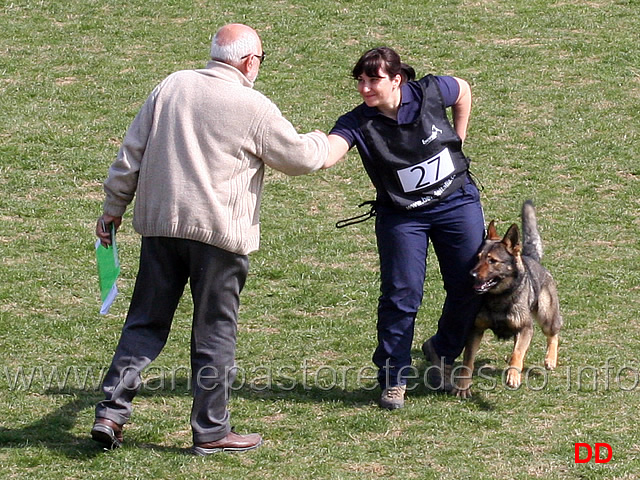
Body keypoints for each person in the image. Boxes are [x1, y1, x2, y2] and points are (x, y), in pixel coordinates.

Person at [90, 23, 329, 454]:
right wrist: (330, 141)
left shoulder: (171, 86)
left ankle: (111, 411)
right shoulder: (253, 105)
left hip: (161, 228)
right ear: (248, 61)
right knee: (214, 334)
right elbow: (299, 158)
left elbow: (131, 154)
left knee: (144, 324)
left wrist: (113, 209)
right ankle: (212, 432)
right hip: (219, 237)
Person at [323, 47, 485, 409]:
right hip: (402, 216)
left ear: (397, 80)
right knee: (402, 294)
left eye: (373, 80)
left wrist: (458, 136)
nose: (364, 88)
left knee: (471, 283)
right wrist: (302, 149)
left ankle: (442, 352)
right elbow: (331, 152)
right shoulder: (357, 122)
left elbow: (463, 89)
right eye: (360, 81)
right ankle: (394, 378)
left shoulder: (429, 91)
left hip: (456, 202)